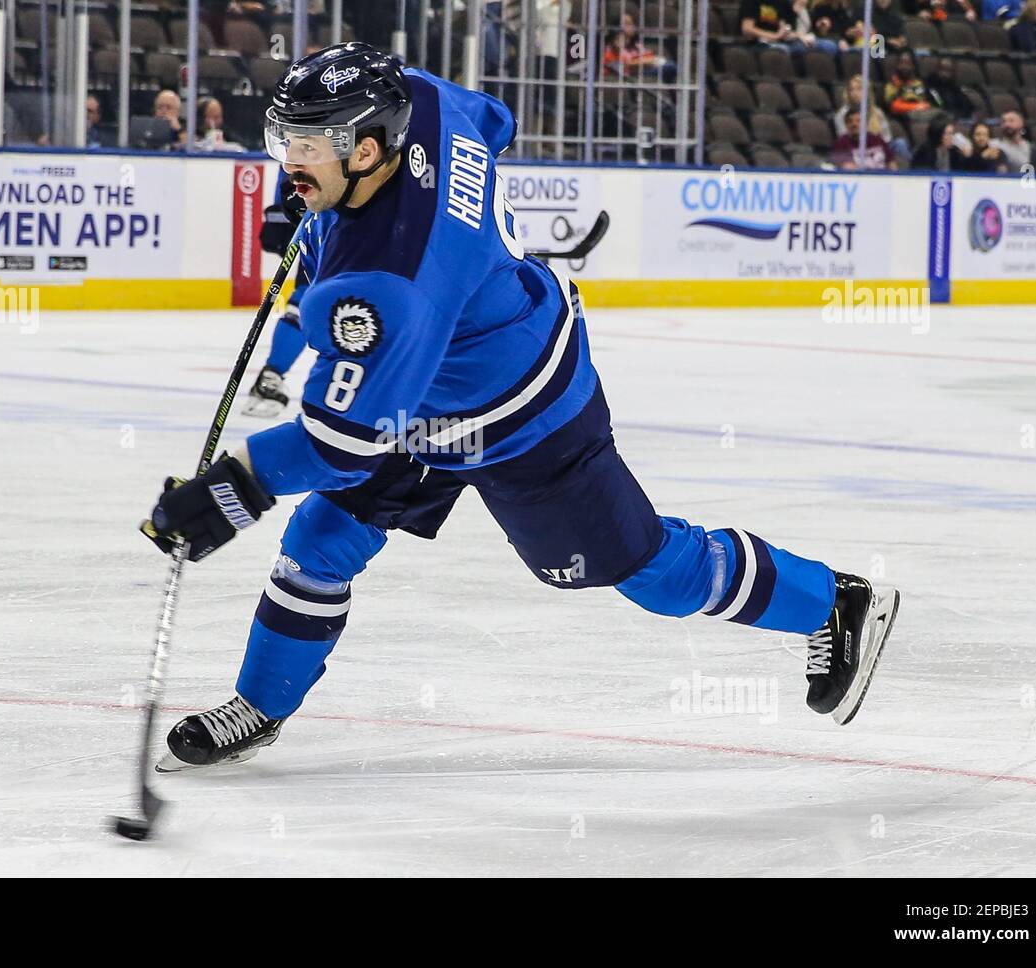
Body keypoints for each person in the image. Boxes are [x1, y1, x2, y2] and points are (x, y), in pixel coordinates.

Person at [140, 42, 901, 770]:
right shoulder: (425, 103)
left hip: (522, 412)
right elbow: (493, 120)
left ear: (368, 151)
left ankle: (830, 603)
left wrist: (233, 488)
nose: (288, 162)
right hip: (431, 383)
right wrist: (306, 202)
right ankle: (260, 704)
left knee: (651, 573)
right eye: (287, 141)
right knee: (320, 539)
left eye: (307, 149)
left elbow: (340, 445)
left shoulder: (387, 285)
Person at [244, 167, 310, 417]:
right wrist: (284, 207)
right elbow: (293, 153)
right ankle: (271, 375)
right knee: (307, 300)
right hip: (328, 219)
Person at [740, 0, 837, 52]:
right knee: (782, 50)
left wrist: (799, 36)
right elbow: (747, 29)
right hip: (760, 44)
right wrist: (774, 36)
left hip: (783, 41)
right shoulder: (751, 1)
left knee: (828, 45)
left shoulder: (782, 2)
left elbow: (786, 27)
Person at [831, 106, 897, 168]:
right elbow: (845, 167)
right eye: (850, 121)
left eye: (858, 121)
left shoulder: (878, 140)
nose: (854, 124)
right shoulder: (841, 143)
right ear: (846, 125)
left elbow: (891, 162)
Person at [908, 115, 973, 169]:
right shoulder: (924, 152)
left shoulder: (954, 151)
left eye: (952, 133)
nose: (952, 137)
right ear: (938, 134)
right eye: (949, 134)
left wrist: (967, 157)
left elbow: (963, 174)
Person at [884, 50, 935, 119]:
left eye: (908, 64)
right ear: (897, 65)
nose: (904, 67)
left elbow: (926, 102)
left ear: (913, 66)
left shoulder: (919, 83)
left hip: (922, 113)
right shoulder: (891, 84)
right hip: (903, 115)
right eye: (901, 63)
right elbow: (892, 106)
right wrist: (915, 107)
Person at [925, 57, 975, 122]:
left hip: (957, 118)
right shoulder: (931, 87)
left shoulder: (954, 87)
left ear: (953, 72)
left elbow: (968, 106)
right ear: (937, 70)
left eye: (948, 71)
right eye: (942, 69)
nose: (944, 74)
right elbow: (939, 103)